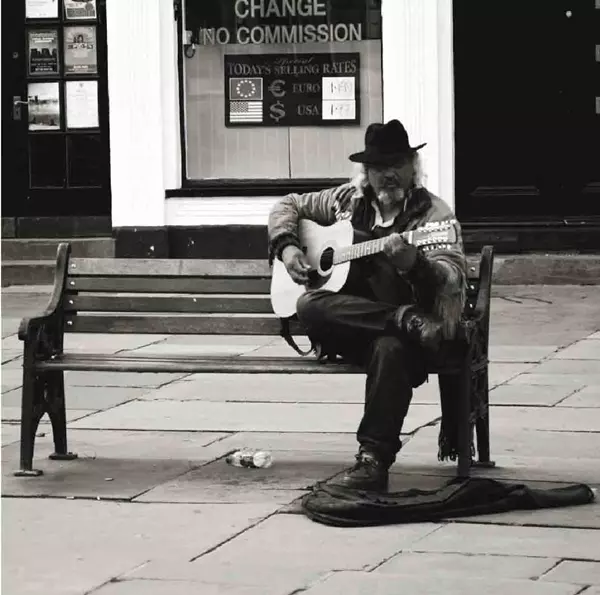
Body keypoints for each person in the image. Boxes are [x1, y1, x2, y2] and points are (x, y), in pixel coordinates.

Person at [267, 119, 468, 492]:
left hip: (408, 342)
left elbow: (451, 276)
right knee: (309, 304)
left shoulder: (434, 216)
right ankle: (403, 319)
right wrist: (288, 246)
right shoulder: (345, 201)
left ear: (413, 167)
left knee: (390, 349)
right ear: (366, 171)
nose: (388, 175)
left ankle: (373, 461)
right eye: (378, 167)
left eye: (396, 165)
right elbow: (288, 204)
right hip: (351, 327)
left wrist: (415, 265)